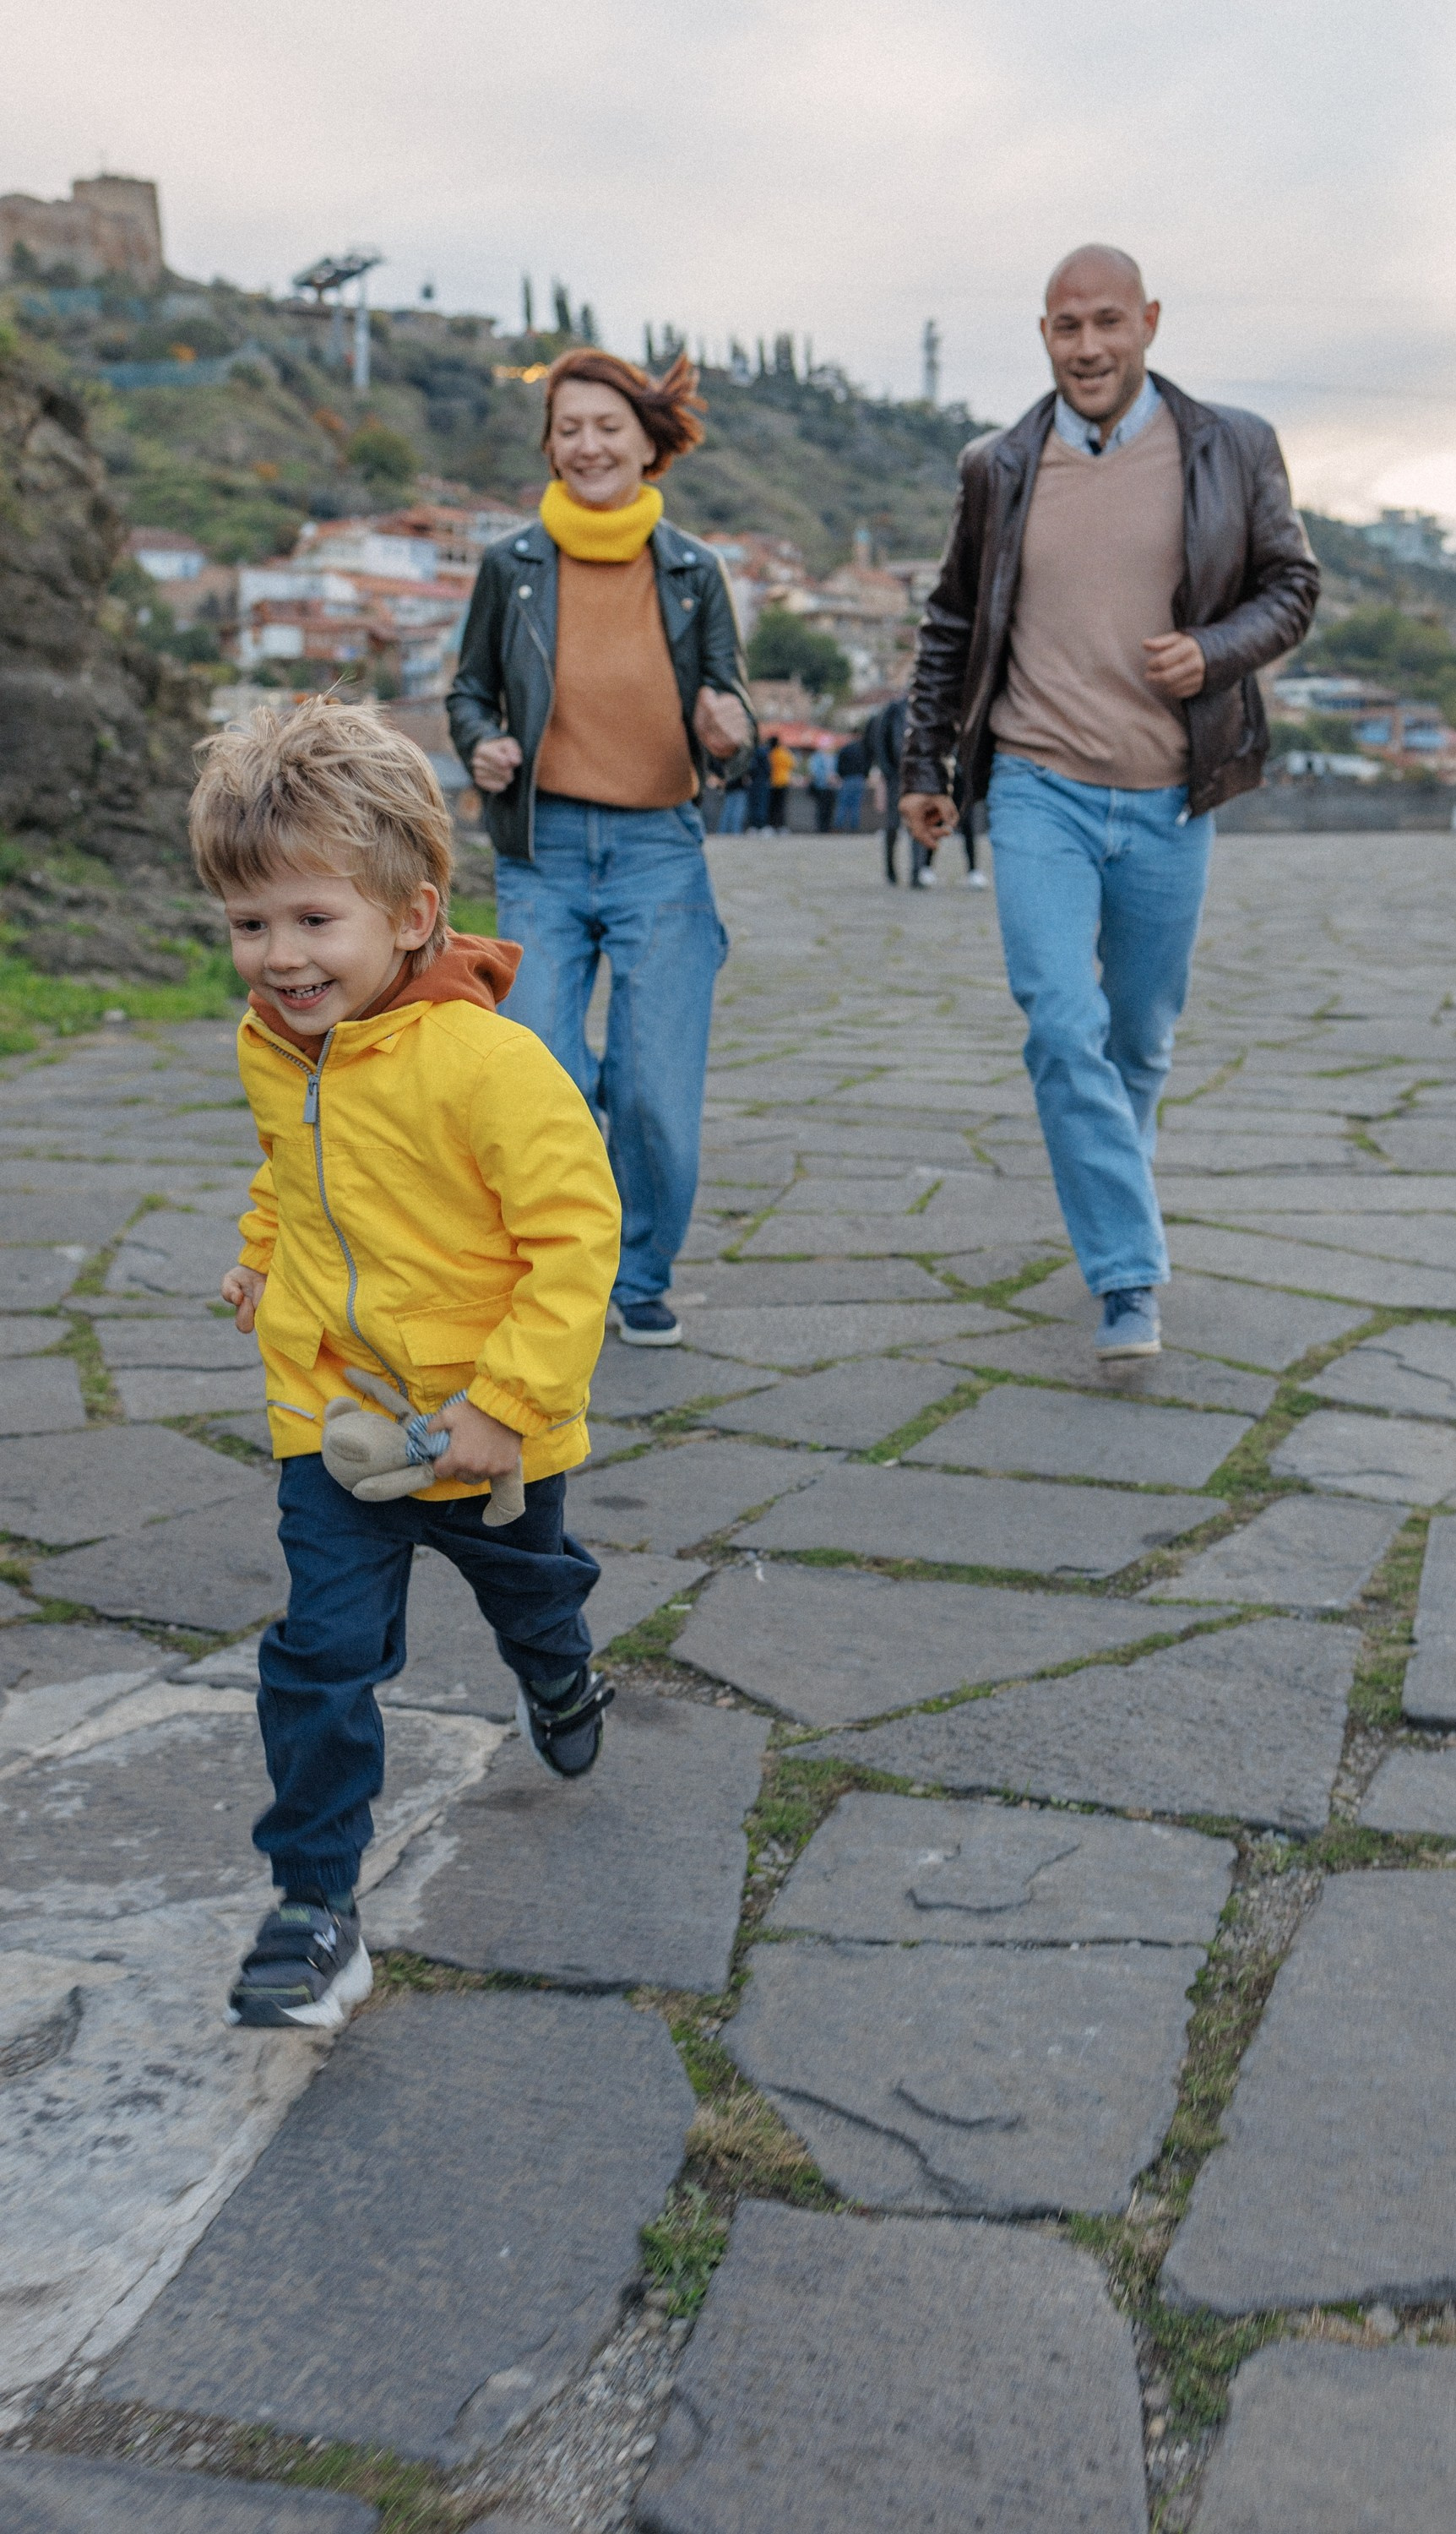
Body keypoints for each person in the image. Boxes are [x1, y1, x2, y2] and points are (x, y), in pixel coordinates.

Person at [198, 698, 622, 2030]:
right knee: (322, 1654)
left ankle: (555, 1663)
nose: (281, 958)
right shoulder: (277, 1048)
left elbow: (576, 1236)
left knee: (529, 1588)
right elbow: (297, 1167)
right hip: (333, 1416)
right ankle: (315, 1908)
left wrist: (503, 1404)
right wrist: (265, 1252)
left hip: (480, 1431)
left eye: (314, 920)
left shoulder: (488, 1066)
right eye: (251, 926)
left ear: (414, 912)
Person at [901, 243, 1317, 1357]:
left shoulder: (1231, 445)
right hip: (1040, 785)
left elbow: (1293, 585)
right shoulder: (999, 465)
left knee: (1137, 1042)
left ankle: (1107, 1202)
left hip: (1173, 797)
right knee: (1060, 1016)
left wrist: (1215, 651)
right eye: (1065, 327)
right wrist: (922, 770)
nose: (1087, 347)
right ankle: (1128, 1276)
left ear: (1149, 323)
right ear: (1044, 336)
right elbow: (950, 625)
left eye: (1107, 323)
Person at [448, 347, 753, 1349]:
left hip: (660, 849)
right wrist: (479, 743)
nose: (586, 445)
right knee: (544, 1074)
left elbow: (731, 701)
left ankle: (639, 1276)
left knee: (656, 1094)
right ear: (550, 446)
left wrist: (728, 728)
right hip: (544, 848)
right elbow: (468, 691)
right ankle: (558, 1259)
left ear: (645, 442)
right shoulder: (511, 566)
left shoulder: (694, 571)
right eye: (567, 428)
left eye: (605, 426)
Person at [865, 692, 910, 884]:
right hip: (896, 775)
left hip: (919, 776)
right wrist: (887, 770)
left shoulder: (925, 706)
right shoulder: (895, 708)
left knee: (919, 823)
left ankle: (917, 872)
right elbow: (880, 740)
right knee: (893, 824)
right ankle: (891, 871)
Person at [834, 733, 867, 833]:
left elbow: (839, 764)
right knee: (855, 805)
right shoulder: (862, 749)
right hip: (859, 778)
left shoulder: (845, 749)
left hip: (847, 778)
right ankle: (854, 827)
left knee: (843, 804)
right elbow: (867, 763)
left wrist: (841, 775)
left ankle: (839, 826)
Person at [807, 741, 839, 832]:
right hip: (821, 786)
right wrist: (826, 778)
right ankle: (821, 827)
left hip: (831, 787)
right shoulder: (817, 757)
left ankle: (827, 827)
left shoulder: (833, 757)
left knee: (829, 808)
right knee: (822, 808)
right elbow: (815, 772)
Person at [745, 734, 773, 832]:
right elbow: (768, 769)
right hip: (761, 782)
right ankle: (759, 825)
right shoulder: (761, 751)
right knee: (760, 805)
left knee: (756, 805)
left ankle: (755, 825)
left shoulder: (752, 752)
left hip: (756, 782)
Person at [768, 732, 794, 829]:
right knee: (781, 806)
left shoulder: (770, 753)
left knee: (772, 807)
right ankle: (781, 826)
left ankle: (771, 825)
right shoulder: (785, 752)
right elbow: (791, 765)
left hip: (772, 782)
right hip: (783, 782)